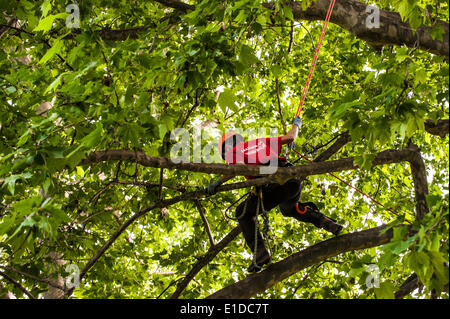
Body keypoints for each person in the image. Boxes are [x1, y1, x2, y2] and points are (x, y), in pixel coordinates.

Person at [206, 116, 343, 273]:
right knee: (289, 209)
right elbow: (291, 137)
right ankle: (323, 220)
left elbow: (239, 168)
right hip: (291, 180)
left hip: (273, 185)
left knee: (241, 212)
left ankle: (260, 253)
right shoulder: (260, 142)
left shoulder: (233, 152)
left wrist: (218, 182)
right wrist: (296, 124)